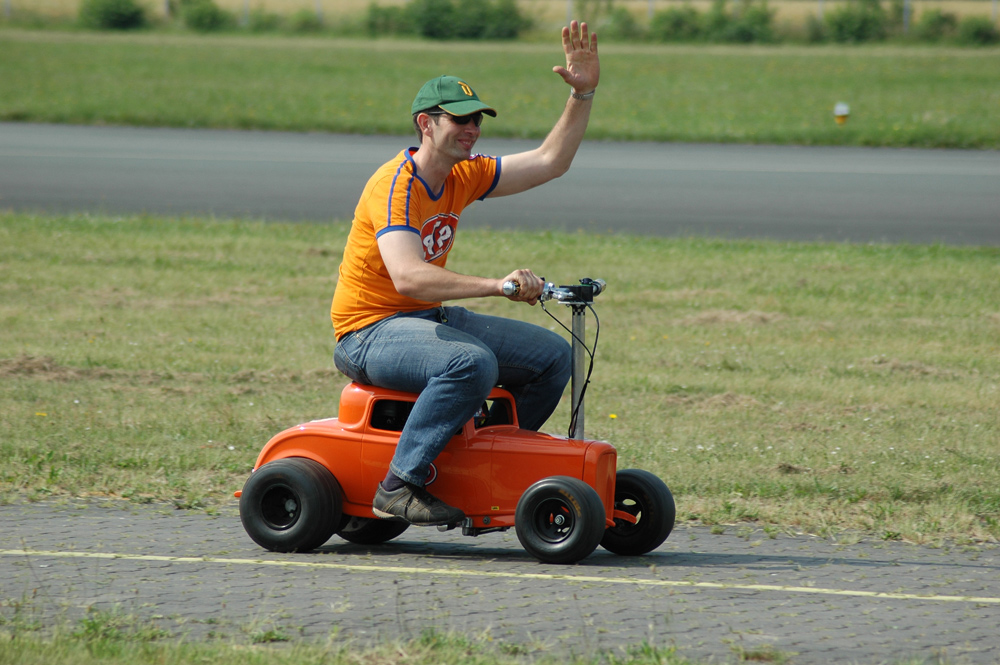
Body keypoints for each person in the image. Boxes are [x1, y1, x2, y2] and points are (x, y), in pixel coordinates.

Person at [331, 21, 600, 528]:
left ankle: (480, 467)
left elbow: (550, 161)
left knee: (552, 357)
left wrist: (583, 94)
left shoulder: (464, 173)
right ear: (425, 124)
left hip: (422, 320)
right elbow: (409, 278)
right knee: (471, 363)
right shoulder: (395, 185)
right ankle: (398, 485)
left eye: (476, 118)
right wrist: (497, 286)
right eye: (458, 119)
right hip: (369, 333)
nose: (471, 128)